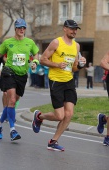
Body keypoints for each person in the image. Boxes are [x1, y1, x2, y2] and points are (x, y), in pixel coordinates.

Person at [31, 19, 86, 151]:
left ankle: (53, 141)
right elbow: (42, 59)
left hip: (69, 81)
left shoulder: (76, 46)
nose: (74, 31)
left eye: (76, 29)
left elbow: (73, 68)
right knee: (59, 116)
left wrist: (80, 65)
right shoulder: (56, 42)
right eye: (72, 28)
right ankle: (39, 117)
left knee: (69, 114)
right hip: (56, 81)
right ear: (65, 29)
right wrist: (56, 64)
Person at [0, 18, 39, 141]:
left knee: (12, 103)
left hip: (22, 75)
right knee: (11, 100)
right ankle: (13, 130)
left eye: (24, 28)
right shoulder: (8, 42)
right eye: (19, 28)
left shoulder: (30, 42)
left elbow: (36, 54)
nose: (22, 30)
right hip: (9, 72)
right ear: (15, 29)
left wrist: (35, 61)